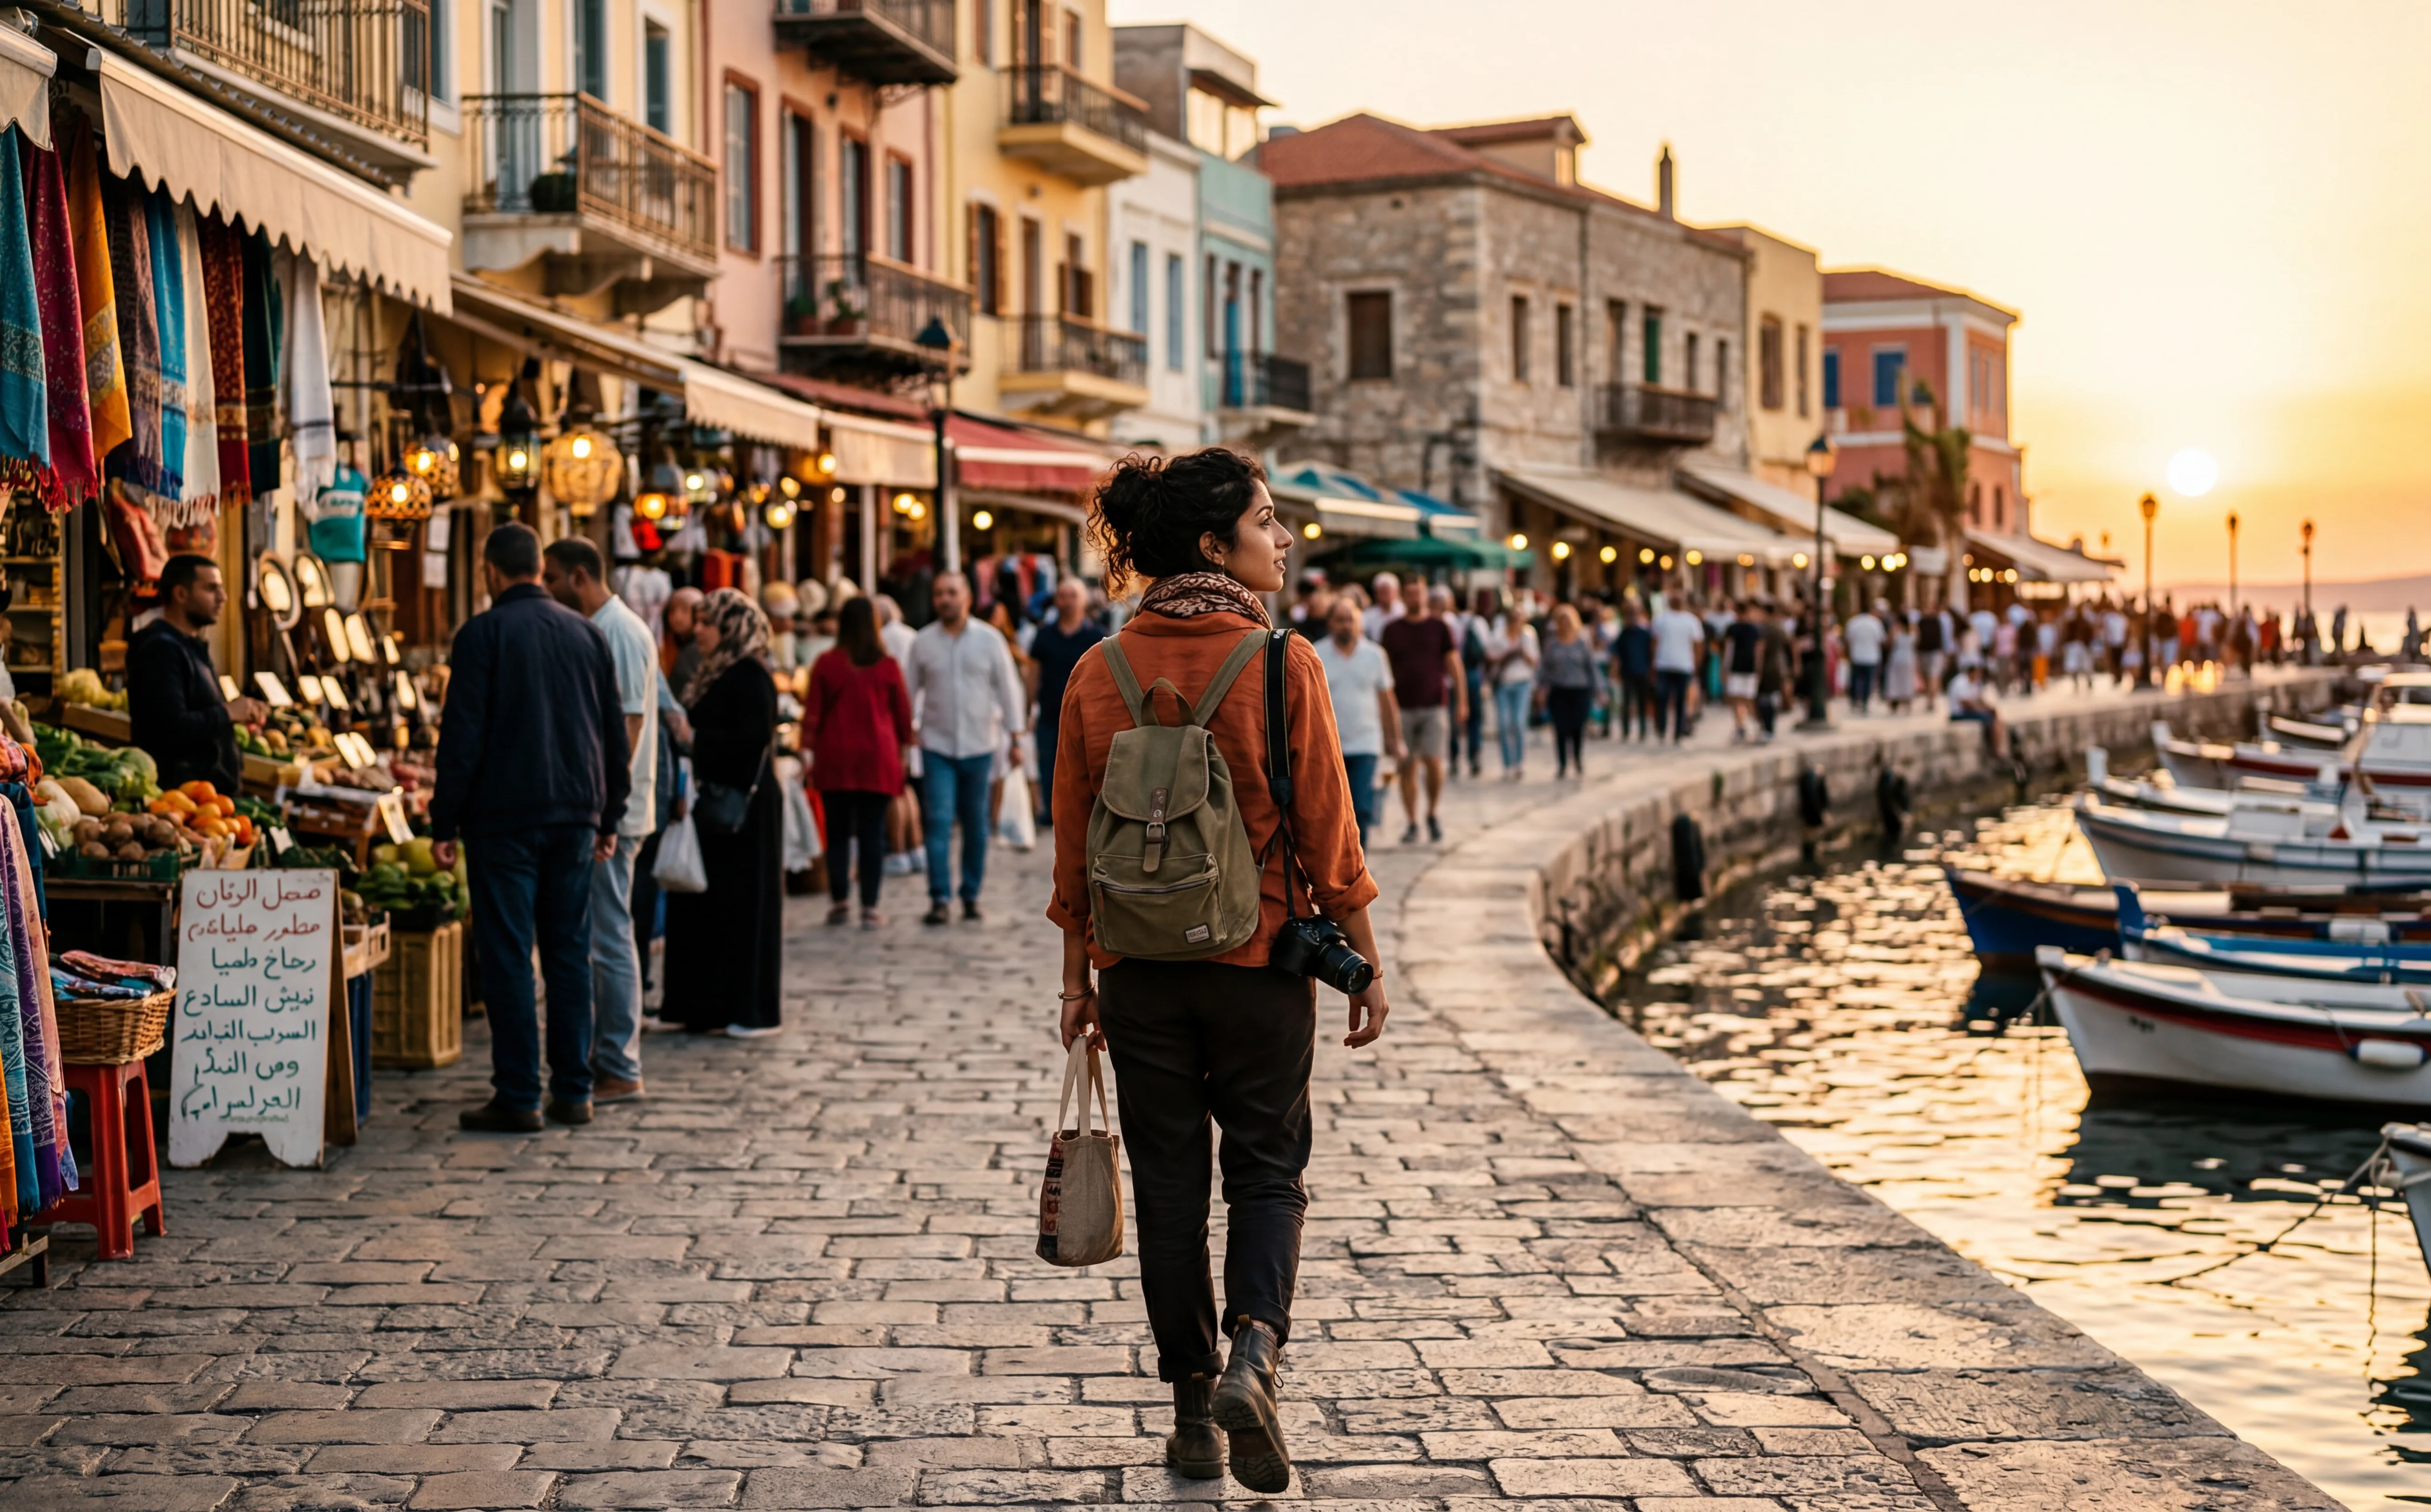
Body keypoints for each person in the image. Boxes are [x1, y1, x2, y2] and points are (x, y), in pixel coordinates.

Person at [1050, 448, 1388, 1496]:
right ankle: (1254, 1352)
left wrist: (1076, 984)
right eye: (1265, 520)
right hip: (1258, 961)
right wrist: (1365, 960)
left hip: (1138, 971)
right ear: (1213, 544)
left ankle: (1193, 1416)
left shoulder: (1096, 671)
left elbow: (1072, 849)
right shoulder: (1282, 662)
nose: (1282, 538)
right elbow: (1328, 828)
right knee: (1267, 1169)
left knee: (1168, 1191)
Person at [431, 523, 630, 1133]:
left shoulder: (482, 634)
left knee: (509, 955)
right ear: (540, 569)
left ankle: (519, 1095)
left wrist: (444, 820)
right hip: (574, 814)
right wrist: (610, 814)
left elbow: (462, 735)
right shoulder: (588, 633)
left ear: (491, 571)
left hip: (505, 819)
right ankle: (574, 1091)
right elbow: (612, 731)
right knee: (568, 952)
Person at [541, 537, 659, 1105]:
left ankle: (619, 1062)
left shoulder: (621, 633)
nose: (547, 588)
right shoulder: (602, 629)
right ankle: (606, 1055)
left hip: (614, 815)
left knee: (610, 936)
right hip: (606, 810)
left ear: (580, 577)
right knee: (599, 934)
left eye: (553, 578)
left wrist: (605, 811)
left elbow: (628, 727)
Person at [663, 588, 783, 1037]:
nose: (699, 631)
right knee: (708, 905)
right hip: (713, 802)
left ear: (732, 628)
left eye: (708, 623)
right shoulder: (715, 671)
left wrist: (693, 738)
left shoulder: (749, 674)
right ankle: (704, 1006)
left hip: (744, 809)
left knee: (742, 906)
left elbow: (750, 740)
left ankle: (747, 1008)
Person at [905, 572, 1027, 924]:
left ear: (968, 597)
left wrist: (1015, 737)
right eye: (939, 593)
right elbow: (908, 690)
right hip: (937, 745)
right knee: (938, 821)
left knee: (976, 825)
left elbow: (1009, 689)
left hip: (980, 746)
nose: (945, 599)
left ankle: (971, 894)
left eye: (952, 593)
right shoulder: (923, 643)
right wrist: (906, 733)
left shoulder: (990, 640)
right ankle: (940, 898)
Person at [805, 596, 914, 929]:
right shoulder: (887, 665)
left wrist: (806, 751)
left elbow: (813, 713)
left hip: (835, 757)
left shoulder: (827, 663)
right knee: (871, 835)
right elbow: (903, 716)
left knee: (837, 833)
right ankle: (870, 906)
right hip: (877, 758)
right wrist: (906, 751)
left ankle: (840, 901)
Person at [127, 554, 266, 794]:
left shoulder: (189, 645)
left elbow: (199, 711)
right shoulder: (161, 649)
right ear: (181, 594)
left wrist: (239, 712)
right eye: (212, 589)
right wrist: (228, 713)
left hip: (208, 800)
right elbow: (171, 727)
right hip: (183, 799)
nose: (223, 597)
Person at [1379, 583, 1463, 838]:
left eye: (1419, 593)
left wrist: (1463, 701)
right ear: (1403, 597)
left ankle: (1433, 812)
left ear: (1426, 596)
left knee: (1434, 761)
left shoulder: (1439, 627)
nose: (1415, 597)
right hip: (1402, 707)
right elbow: (1383, 671)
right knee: (1407, 766)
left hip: (1434, 705)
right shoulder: (1392, 630)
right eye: (1410, 593)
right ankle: (1412, 821)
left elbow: (1454, 664)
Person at [1316, 596, 1401, 847]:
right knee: (1333, 811)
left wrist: (1395, 739)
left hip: (1366, 743)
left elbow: (1387, 700)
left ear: (1360, 623)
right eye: (1340, 620)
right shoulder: (1316, 653)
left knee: (1362, 807)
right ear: (1330, 623)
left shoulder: (1375, 655)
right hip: (1330, 745)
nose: (1346, 626)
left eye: (1351, 620)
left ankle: (1359, 860)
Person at [1028, 576, 1105, 828]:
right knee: (1048, 766)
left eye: (1074, 596)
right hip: (1050, 714)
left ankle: (1082, 815)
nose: (1068, 602)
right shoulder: (1044, 636)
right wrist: (1028, 710)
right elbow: (1033, 674)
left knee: (1084, 768)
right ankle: (1053, 815)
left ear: (1084, 601)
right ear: (1056, 601)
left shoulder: (1098, 637)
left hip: (1087, 717)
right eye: (1063, 596)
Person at [1479, 597, 1538, 779]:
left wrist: (1522, 651)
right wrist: (1505, 655)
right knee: (1504, 724)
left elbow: (1535, 661)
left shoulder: (1528, 635)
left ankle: (1518, 762)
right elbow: (1489, 656)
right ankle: (1507, 764)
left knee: (1519, 723)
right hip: (1503, 683)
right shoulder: (1499, 634)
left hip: (1522, 683)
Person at [1538, 603, 1596, 778]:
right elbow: (1545, 668)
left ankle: (1577, 758)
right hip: (1559, 691)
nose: (1564, 625)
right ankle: (1562, 763)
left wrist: (1599, 690)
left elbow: (1591, 667)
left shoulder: (1582, 643)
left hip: (1580, 690)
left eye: (1567, 621)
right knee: (1561, 729)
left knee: (1578, 727)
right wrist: (1541, 688)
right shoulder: (1552, 644)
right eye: (1561, 621)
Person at [1650, 595, 1703, 742]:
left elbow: (1697, 645)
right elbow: (1698, 645)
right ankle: (1667, 730)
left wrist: (1696, 663)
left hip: (1676, 665)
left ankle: (1673, 731)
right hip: (1670, 664)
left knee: (1674, 699)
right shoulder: (1664, 620)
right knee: (1668, 699)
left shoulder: (1689, 620)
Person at [1720, 598, 1762, 743]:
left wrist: (1725, 668)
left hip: (1737, 668)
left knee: (1737, 699)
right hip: (1749, 669)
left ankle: (1742, 727)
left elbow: (1729, 650)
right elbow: (1758, 652)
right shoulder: (1754, 629)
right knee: (1748, 700)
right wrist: (1758, 669)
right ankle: (1752, 726)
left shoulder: (1733, 629)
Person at [1613, 600, 1654, 741]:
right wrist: (1616, 671)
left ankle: (1643, 730)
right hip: (1627, 672)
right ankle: (1626, 731)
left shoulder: (1645, 634)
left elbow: (1651, 654)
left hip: (1642, 672)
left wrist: (1651, 670)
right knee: (1626, 703)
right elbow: (1617, 654)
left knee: (1642, 702)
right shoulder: (1623, 634)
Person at [1945, 661, 2004, 755]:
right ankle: (1996, 751)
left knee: (1995, 717)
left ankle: (1997, 748)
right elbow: (1966, 703)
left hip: (1967, 711)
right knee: (1993, 720)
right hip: (1959, 714)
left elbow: (1978, 700)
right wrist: (1984, 709)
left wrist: (1990, 708)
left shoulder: (1972, 682)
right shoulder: (1960, 682)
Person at [1844, 600, 1886, 714]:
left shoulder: (1853, 622)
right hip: (1871, 657)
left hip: (1856, 655)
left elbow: (1848, 640)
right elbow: (1881, 640)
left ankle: (1854, 700)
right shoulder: (1876, 623)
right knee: (1868, 681)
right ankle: (1865, 702)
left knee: (1855, 679)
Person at [1883, 609, 1920, 714]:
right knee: (1907, 680)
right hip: (1909, 658)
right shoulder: (1913, 631)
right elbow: (1917, 642)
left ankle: (1895, 701)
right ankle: (1907, 700)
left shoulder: (1896, 631)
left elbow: (1889, 643)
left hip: (1897, 657)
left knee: (1895, 680)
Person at [1361, 571, 1404, 642]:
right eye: (1382, 592)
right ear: (1376, 593)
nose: (1385, 596)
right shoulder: (1368, 615)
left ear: (1397, 592)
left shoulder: (1405, 612)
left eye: (1388, 591)